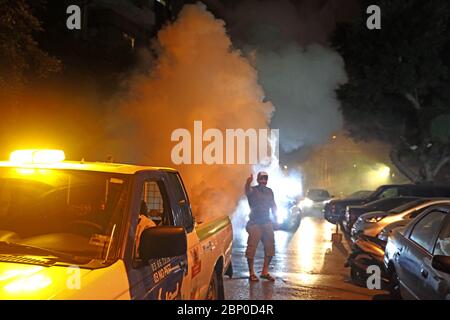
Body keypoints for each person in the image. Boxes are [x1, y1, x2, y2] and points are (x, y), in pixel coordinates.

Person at [245, 171, 277, 282]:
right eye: (261, 178)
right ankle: (251, 273)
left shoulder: (269, 192)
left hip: (266, 222)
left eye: (265, 178)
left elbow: (273, 205)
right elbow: (247, 191)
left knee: (270, 248)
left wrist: (276, 218)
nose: (264, 180)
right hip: (255, 223)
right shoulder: (253, 190)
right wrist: (248, 183)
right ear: (258, 180)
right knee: (251, 249)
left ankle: (265, 272)